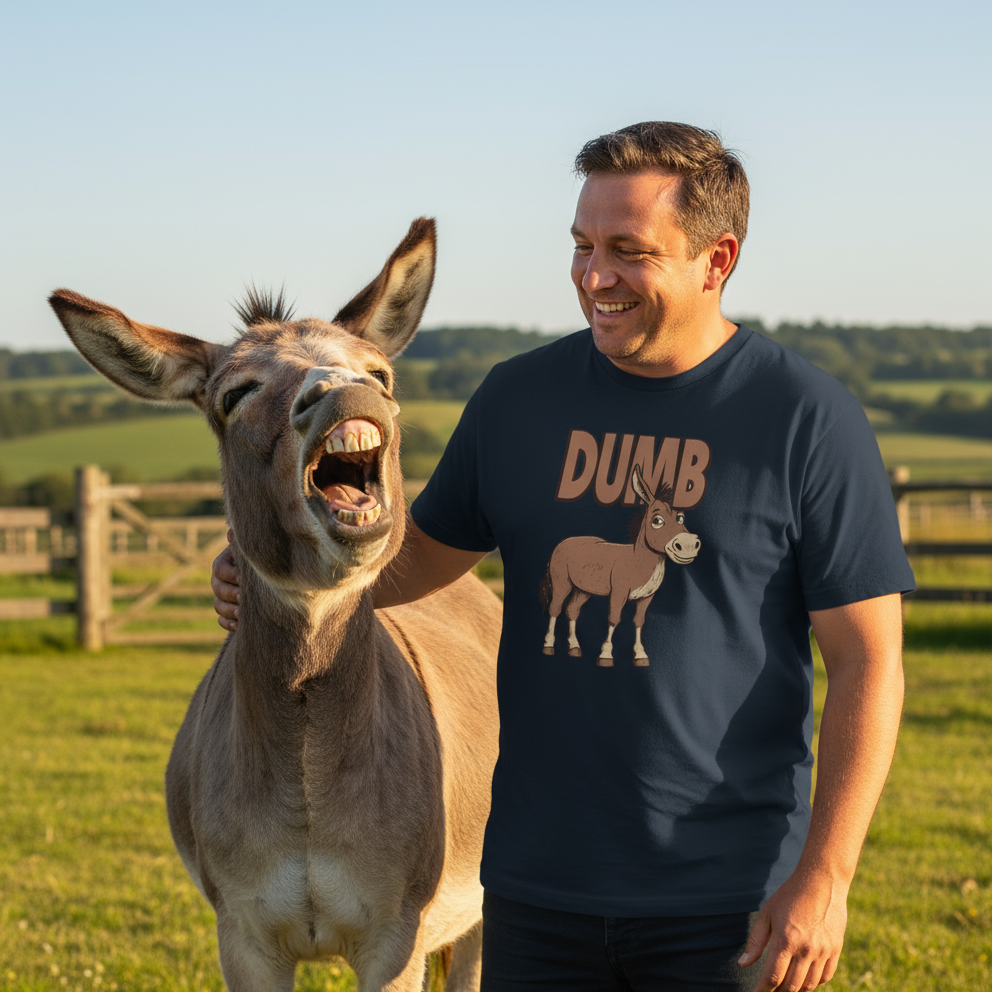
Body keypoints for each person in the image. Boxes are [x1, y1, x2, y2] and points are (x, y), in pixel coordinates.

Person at [212, 122, 914, 991]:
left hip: (728, 900)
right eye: (582, 245)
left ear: (716, 257)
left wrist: (828, 878)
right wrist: (278, 570)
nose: (593, 276)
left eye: (629, 250)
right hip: (534, 897)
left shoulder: (806, 419)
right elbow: (411, 561)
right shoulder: (519, 399)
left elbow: (868, 661)